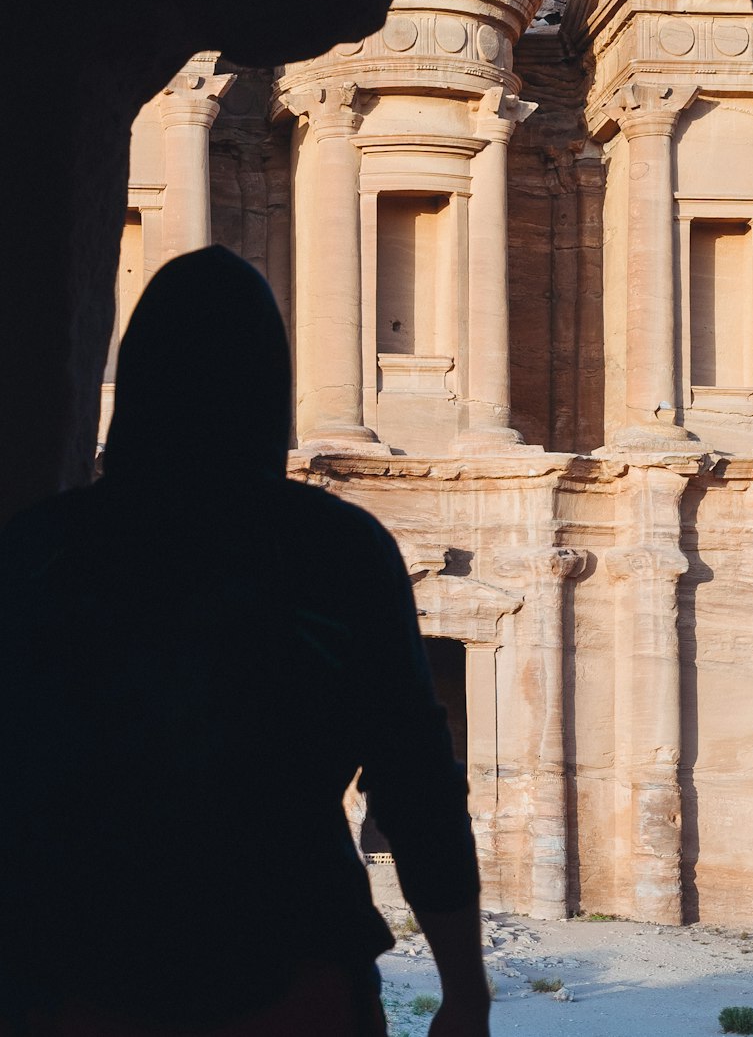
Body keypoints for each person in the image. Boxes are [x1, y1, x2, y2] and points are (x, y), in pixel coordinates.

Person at [0, 247, 491, 1036]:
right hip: (294, 970)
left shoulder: (40, 550)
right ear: (269, 387)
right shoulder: (338, 552)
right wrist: (465, 994)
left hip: (79, 973)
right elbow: (417, 784)